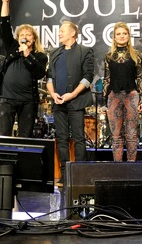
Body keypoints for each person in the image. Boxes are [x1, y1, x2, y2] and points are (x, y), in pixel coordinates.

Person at [46, 21, 94, 184]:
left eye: (62, 31)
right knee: (62, 138)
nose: (59, 33)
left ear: (73, 33)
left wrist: (72, 94)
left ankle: (79, 174)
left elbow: (88, 78)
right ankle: (65, 175)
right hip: (58, 102)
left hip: (77, 101)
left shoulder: (85, 51)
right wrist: (53, 95)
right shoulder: (54, 53)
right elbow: (49, 77)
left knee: (79, 138)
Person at [0, 0, 48, 137]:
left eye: (28, 35)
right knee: (3, 134)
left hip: (28, 102)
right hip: (7, 99)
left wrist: (27, 54)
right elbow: (4, 25)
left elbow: (39, 73)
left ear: (34, 39)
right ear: (17, 38)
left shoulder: (39, 56)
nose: (24, 37)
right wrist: (5, 2)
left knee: (25, 136)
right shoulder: (12, 48)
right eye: (21, 35)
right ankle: (3, 161)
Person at [102, 22, 142, 162]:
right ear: (114, 37)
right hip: (113, 96)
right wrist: (104, 102)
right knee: (115, 136)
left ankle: (131, 166)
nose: (121, 36)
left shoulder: (136, 55)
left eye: (124, 33)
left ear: (129, 36)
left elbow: (140, 78)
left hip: (132, 95)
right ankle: (118, 168)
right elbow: (107, 79)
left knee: (131, 135)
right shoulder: (109, 56)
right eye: (118, 34)